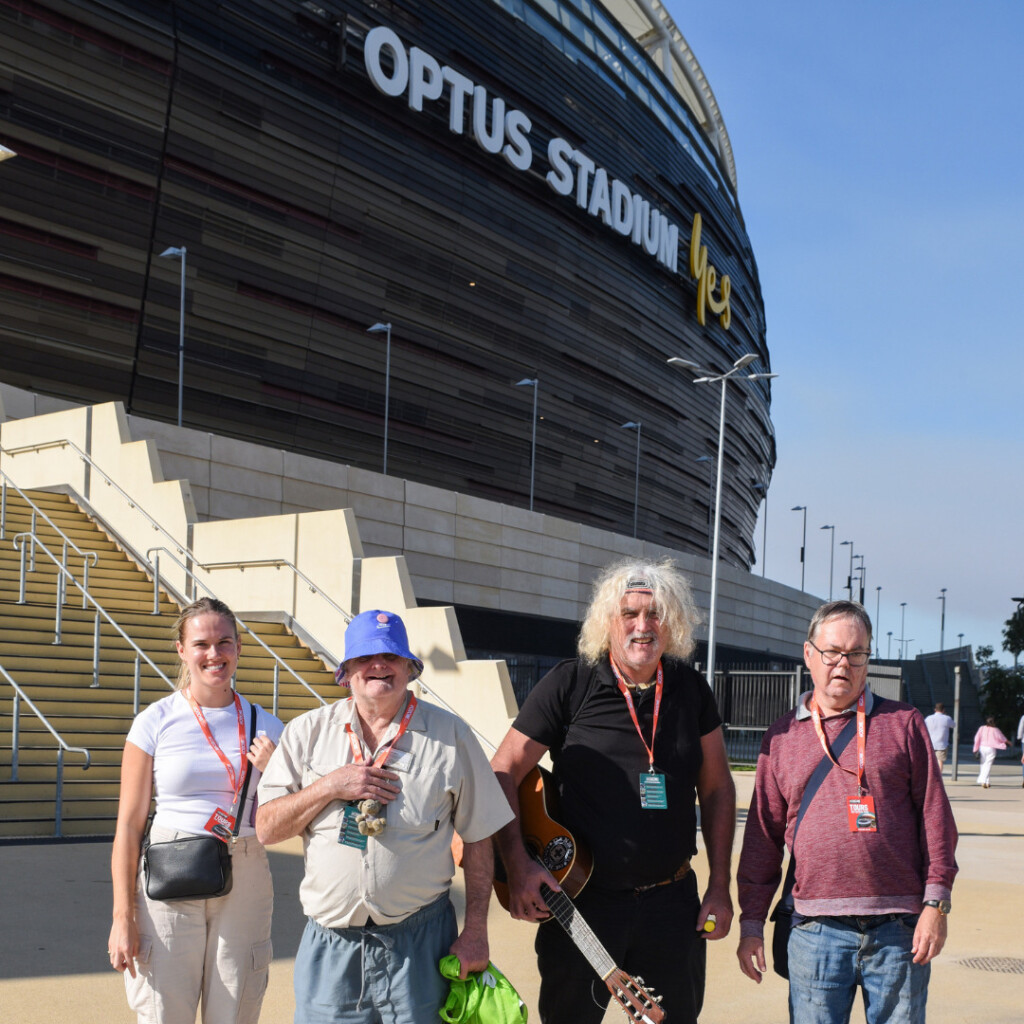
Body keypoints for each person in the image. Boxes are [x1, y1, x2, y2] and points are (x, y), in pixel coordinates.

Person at [490, 558, 735, 1024]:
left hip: (671, 903)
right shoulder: (570, 682)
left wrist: (720, 885)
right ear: (607, 622)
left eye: (656, 613)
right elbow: (502, 771)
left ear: (674, 621)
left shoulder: (691, 690)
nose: (643, 626)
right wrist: (518, 865)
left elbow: (719, 789)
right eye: (629, 613)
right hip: (583, 903)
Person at [255, 609, 513, 1024]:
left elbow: (480, 836)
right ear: (346, 673)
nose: (379, 666)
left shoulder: (451, 735)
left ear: (410, 669)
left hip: (421, 944)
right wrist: (330, 786)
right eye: (365, 657)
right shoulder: (306, 733)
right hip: (331, 949)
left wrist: (477, 931)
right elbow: (266, 827)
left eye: (392, 657)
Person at [735, 600, 958, 1024]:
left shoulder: (904, 723)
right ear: (809, 654)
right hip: (815, 931)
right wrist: (751, 923)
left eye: (857, 654)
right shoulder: (781, 737)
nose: (844, 664)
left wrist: (936, 904)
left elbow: (936, 818)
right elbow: (762, 837)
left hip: (899, 930)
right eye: (832, 652)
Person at [108, 597, 283, 1024]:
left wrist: (273, 771)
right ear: (182, 650)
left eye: (224, 642)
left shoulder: (269, 726)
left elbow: (284, 817)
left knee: (237, 1008)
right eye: (201, 643)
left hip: (244, 867)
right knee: (164, 1011)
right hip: (171, 868)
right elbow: (129, 826)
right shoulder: (155, 721)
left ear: (239, 648)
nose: (214, 654)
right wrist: (122, 917)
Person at [973, 716, 1009, 788]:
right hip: (991, 749)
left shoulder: (982, 728)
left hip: (982, 748)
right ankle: (983, 780)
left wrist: (975, 748)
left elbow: (977, 738)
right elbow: (1002, 737)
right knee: (988, 765)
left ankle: (986, 781)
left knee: (983, 764)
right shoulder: (995, 730)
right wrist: (1008, 742)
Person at [923, 702, 955, 771]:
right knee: (940, 761)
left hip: (930, 743)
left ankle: (930, 776)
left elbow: (923, 727)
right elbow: (953, 725)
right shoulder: (947, 718)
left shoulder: (929, 718)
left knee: (930, 762)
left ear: (935, 709)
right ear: (943, 710)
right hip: (942, 744)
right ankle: (939, 777)